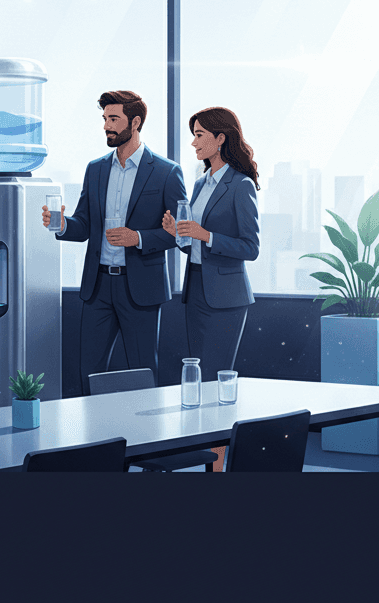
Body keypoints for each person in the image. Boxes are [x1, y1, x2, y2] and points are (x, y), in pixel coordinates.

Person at [42, 90, 187, 391]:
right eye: (105, 118)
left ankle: (144, 436)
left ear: (135, 123)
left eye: (114, 119)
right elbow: (83, 226)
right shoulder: (95, 169)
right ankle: (96, 437)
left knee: (142, 372)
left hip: (141, 290)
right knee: (88, 372)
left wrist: (138, 238)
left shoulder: (166, 172)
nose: (107, 126)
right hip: (98, 288)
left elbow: (179, 232)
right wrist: (60, 225)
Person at [162, 107, 260, 385]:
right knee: (198, 373)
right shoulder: (199, 184)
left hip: (227, 297)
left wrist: (206, 235)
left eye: (199, 135)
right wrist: (177, 233)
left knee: (216, 375)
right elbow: (193, 246)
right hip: (195, 291)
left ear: (220, 139)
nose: (193, 142)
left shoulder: (241, 185)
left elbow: (250, 248)